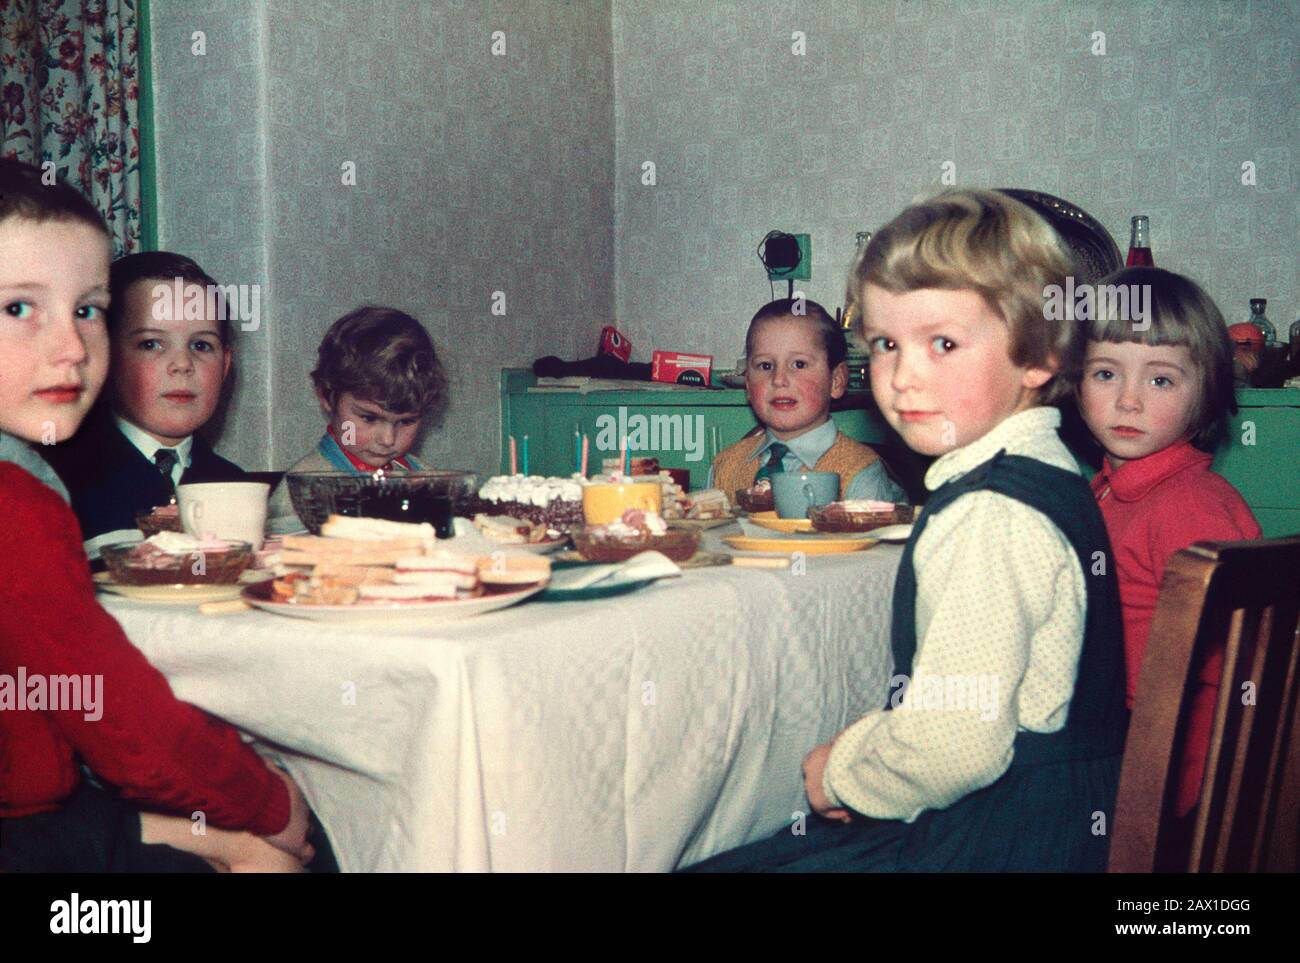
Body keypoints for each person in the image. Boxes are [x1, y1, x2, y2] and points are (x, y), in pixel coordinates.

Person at [686, 189, 1127, 872]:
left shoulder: (987, 514)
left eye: (943, 343)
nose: (903, 377)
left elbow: (955, 746)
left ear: (1039, 355)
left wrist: (841, 773)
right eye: (887, 344)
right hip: (1057, 822)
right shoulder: (1050, 471)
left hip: (1001, 843)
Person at [0, 157, 318, 872]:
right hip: (30, 830)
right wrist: (269, 801)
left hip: (53, 802)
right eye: (19, 308)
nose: (70, 347)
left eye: (86, 310)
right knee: (285, 848)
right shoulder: (18, 503)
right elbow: (118, 717)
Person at [1075, 266, 1260, 819]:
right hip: (1116, 732)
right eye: (1105, 374)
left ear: (1206, 394)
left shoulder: (1190, 506)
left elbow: (1235, 670)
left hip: (1162, 763)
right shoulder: (1103, 491)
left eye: (1160, 381)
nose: (1128, 401)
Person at [40, 251, 248, 542]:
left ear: (225, 366)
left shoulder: (234, 488)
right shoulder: (53, 481)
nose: (182, 364)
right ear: (104, 358)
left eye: (201, 345)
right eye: (150, 344)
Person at [267, 305, 447, 529]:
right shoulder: (302, 493)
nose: (388, 439)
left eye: (406, 421)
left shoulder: (426, 480)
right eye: (369, 418)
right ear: (327, 396)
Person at [709, 298, 905, 502]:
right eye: (765, 366)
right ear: (748, 384)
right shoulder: (723, 468)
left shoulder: (861, 474)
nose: (778, 379)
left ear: (836, 381)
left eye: (799, 364)